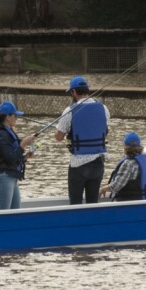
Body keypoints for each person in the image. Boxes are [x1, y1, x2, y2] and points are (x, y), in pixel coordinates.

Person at [55, 75, 110, 204]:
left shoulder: (70, 111)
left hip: (78, 164)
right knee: (92, 202)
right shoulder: (103, 108)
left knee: (75, 203)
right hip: (98, 162)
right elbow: (104, 131)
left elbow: (58, 137)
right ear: (87, 90)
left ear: (73, 92)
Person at [0, 101, 36, 210]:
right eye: (15, 115)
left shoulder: (7, 132)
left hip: (10, 177)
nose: (17, 118)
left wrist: (24, 157)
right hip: (2, 178)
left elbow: (12, 157)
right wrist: (24, 144)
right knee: (4, 216)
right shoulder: (0, 134)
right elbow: (9, 158)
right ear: (8, 117)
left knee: (16, 213)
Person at [100, 132, 146, 201]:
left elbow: (116, 186)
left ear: (125, 146)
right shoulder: (142, 161)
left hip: (128, 202)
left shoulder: (128, 163)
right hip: (140, 200)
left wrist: (103, 188)